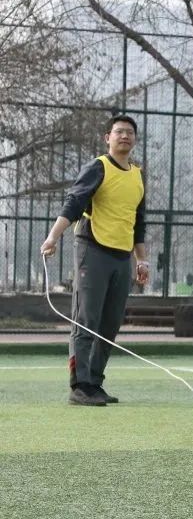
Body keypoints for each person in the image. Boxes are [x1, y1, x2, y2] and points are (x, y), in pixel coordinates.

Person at [40, 115, 149, 406]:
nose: (124, 136)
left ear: (135, 139)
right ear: (107, 138)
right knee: (86, 319)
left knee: (110, 323)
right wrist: (52, 237)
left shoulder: (137, 176)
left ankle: (95, 382)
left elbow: (138, 221)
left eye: (129, 132)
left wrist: (142, 260)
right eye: (119, 132)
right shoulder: (98, 167)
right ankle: (80, 386)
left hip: (122, 257)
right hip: (93, 250)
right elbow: (74, 203)